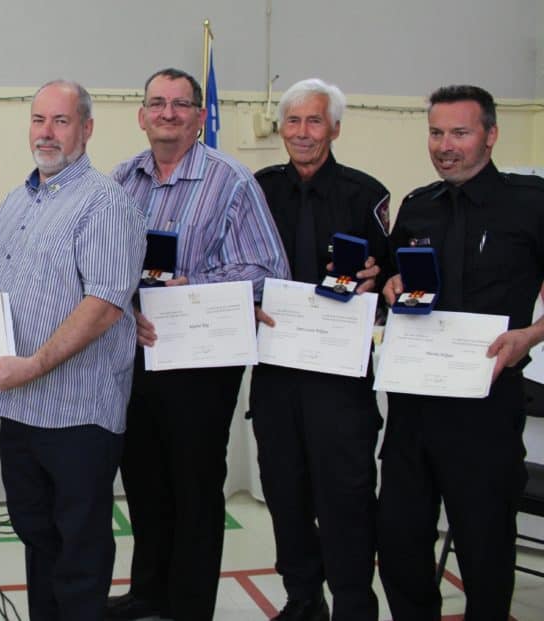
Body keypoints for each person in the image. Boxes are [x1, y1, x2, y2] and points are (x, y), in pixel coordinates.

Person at [106, 68, 288, 621]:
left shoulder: (231, 180)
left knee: (194, 487)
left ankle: (188, 607)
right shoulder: (121, 179)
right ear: (141, 115)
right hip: (135, 354)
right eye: (156, 104)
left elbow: (266, 267)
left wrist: (193, 288)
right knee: (143, 480)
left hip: (201, 363)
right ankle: (148, 593)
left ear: (199, 115)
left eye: (180, 105)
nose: (167, 114)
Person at [0, 79, 146, 621]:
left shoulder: (104, 203)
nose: (47, 133)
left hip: (76, 413)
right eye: (39, 120)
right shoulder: (18, 198)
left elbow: (105, 304)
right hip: (19, 409)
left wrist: (35, 364)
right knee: (36, 535)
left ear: (86, 129)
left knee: (79, 550)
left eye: (61, 121)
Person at [378, 84, 544, 621]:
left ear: (491, 136)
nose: (445, 145)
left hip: (485, 413)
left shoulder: (531, 204)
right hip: (412, 411)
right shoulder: (418, 206)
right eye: (436, 132)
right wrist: (392, 284)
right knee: (401, 546)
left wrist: (531, 335)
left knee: (485, 551)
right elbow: (395, 280)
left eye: (460, 132)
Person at [251, 78, 389, 621]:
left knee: (346, 501)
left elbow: (393, 285)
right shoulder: (258, 188)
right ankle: (302, 598)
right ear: (281, 128)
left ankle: (354, 605)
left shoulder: (366, 193)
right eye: (293, 121)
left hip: (340, 379)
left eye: (314, 121)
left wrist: (379, 280)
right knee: (284, 493)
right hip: (278, 374)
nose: (302, 133)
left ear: (334, 127)